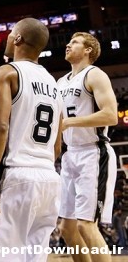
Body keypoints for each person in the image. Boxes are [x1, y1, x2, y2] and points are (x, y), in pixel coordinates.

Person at [0, 17, 63, 261]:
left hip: (19, 176)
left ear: (18, 39)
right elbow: (57, 145)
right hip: (49, 179)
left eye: (10, 33)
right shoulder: (55, 84)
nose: (6, 37)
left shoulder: (5, 73)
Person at [57, 32, 118, 262]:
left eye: (74, 42)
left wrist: (69, 122)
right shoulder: (61, 82)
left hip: (93, 152)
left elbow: (111, 115)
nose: (68, 44)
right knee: (67, 229)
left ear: (88, 50)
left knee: (86, 225)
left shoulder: (95, 75)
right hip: (69, 155)